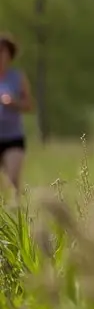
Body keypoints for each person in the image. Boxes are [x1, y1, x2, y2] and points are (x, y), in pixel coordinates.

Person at [0, 33, 34, 202]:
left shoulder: (18, 77)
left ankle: (15, 215)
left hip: (13, 137)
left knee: (12, 181)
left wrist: (14, 103)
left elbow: (29, 105)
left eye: (4, 52)